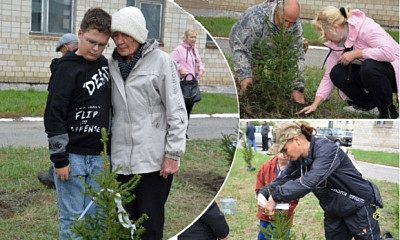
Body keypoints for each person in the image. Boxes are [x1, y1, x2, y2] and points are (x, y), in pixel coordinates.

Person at [109, 7, 187, 240]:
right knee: (123, 225)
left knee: (150, 227)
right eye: (115, 35)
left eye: (125, 35)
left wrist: (173, 154)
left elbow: (177, 111)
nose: (120, 41)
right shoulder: (110, 64)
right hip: (121, 160)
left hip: (153, 162)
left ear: (138, 34)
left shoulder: (162, 62)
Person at [43, 7, 112, 240]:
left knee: (97, 216)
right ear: (79, 33)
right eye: (91, 41)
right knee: (73, 219)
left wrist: (106, 154)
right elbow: (53, 116)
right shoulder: (65, 68)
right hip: (71, 158)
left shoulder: (104, 65)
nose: (96, 48)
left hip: (99, 158)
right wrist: (59, 160)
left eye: (102, 44)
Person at [257, 121, 381, 240]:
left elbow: (309, 181)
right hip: (334, 209)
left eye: (284, 149)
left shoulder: (327, 150)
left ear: (297, 140)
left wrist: (274, 198)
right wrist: (262, 194)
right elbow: (281, 180)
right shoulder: (298, 160)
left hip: (359, 206)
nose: (284, 155)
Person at [297, 6, 399, 119]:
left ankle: (389, 114)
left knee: (369, 66)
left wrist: (356, 53)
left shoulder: (367, 28)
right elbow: (328, 76)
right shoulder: (338, 43)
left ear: (335, 28)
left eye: (325, 34)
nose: (325, 38)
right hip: (374, 74)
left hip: (394, 72)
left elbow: (389, 53)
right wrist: (314, 104)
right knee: (337, 72)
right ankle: (370, 107)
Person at [229, 0, 306, 104]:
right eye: (285, 20)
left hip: (274, 45)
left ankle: (278, 83)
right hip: (250, 46)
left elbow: (297, 55)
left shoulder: (294, 23)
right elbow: (241, 49)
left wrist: (298, 87)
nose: (288, 25)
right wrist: (245, 75)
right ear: (277, 12)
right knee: (251, 85)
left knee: (303, 43)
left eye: (292, 22)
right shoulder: (254, 17)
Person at [38, 33, 79, 189]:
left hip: (71, 113)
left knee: (65, 144)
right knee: (63, 143)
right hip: (66, 112)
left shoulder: (69, 63)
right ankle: (53, 175)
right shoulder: (64, 64)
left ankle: (53, 176)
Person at [171, 29, 205, 139]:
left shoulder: (195, 50)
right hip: (182, 84)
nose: (194, 39)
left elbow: (199, 62)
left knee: (188, 109)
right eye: (192, 37)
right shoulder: (178, 50)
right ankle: (178, 132)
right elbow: (171, 62)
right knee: (181, 109)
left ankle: (184, 131)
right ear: (185, 37)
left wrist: (201, 70)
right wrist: (180, 69)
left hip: (192, 83)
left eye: (195, 37)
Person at [255, 152, 298, 240]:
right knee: (264, 235)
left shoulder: (295, 170)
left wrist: (287, 210)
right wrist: (265, 206)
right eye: (282, 152)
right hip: (266, 211)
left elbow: (296, 194)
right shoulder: (266, 166)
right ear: (277, 151)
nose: (285, 155)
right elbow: (259, 188)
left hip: (284, 214)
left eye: (287, 152)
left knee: (283, 236)